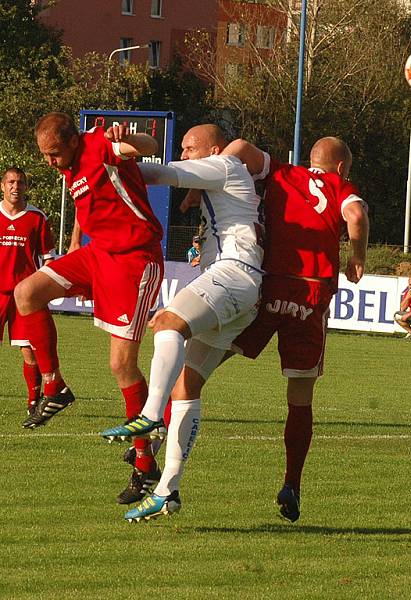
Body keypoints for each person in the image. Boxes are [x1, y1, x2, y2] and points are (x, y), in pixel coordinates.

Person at [98, 124, 264, 523]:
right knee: (185, 387)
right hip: (241, 288)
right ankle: (167, 490)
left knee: (168, 322)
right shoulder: (220, 179)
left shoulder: (224, 166)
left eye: (191, 148)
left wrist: (108, 153)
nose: (186, 154)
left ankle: (151, 415)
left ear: (215, 149)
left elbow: (160, 173)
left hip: (235, 273)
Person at [15, 113, 164, 504]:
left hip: (135, 260)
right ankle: (55, 386)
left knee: (121, 366)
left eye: (53, 154)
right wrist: (76, 244)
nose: (49, 162)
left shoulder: (101, 146)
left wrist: (128, 136)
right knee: (27, 293)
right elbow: (86, 204)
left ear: (73, 141)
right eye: (44, 155)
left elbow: (150, 148)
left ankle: (146, 467)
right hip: (98, 254)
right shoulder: (70, 163)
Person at [218, 136, 368, 523]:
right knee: (300, 396)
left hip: (268, 286)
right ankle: (292, 483)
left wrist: (208, 175)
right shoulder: (340, 187)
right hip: (310, 294)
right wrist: (357, 257)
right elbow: (356, 217)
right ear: (341, 168)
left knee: (206, 357)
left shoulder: (282, 172)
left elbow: (239, 146)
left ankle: (161, 419)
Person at [0, 167, 55, 416]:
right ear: (3, 186)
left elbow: (48, 259)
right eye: (11, 182)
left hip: (25, 297)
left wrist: (43, 289)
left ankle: (34, 402)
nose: (15, 187)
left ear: (26, 187)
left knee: (29, 351)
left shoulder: (37, 217)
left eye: (20, 182)